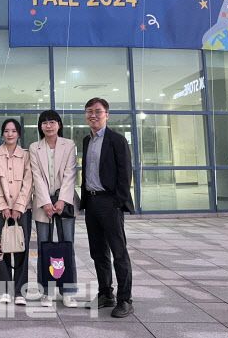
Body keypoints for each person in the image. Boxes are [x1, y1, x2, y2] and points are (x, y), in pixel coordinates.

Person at [81, 97, 135, 318]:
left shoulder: (117, 140)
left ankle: (125, 300)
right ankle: (105, 294)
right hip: (92, 202)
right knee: (98, 252)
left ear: (107, 115)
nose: (93, 115)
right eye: (89, 111)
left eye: (98, 111)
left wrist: (118, 202)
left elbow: (125, 173)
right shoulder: (87, 140)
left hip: (110, 203)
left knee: (118, 252)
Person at [29, 110, 78, 308]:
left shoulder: (69, 145)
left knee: (68, 245)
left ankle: (68, 291)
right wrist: (46, 202)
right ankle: (46, 292)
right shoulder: (34, 147)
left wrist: (62, 200)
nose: (48, 126)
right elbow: (36, 176)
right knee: (44, 247)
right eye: (44, 123)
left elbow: (70, 174)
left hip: (64, 203)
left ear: (59, 124)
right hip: (44, 204)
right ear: (40, 126)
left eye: (52, 122)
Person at [0, 118, 33, 305]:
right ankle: (5, 290)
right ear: (2, 133)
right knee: (1, 248)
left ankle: (20, 291)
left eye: (13, 131)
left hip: (23, 210)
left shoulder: (26, 155)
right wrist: (3, 206)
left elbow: (29, 182)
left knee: (22, 247)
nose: (10, 134)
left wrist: (19, 206)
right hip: (0, 211)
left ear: (19, 134)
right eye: (6, 131)